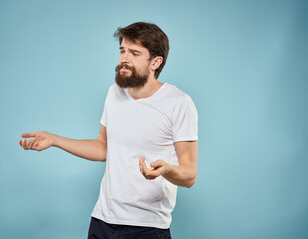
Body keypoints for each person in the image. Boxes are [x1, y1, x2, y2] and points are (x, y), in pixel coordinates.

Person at [19, 22, 198, 239]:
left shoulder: (178, 102)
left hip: (147, 227)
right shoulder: (115, 93)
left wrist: (166, 170)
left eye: (135, 53)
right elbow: (103, 148)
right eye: (122, 50)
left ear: (156, 62)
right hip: (102, 221)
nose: (124, 58)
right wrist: (55, 139)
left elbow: (189, 175)